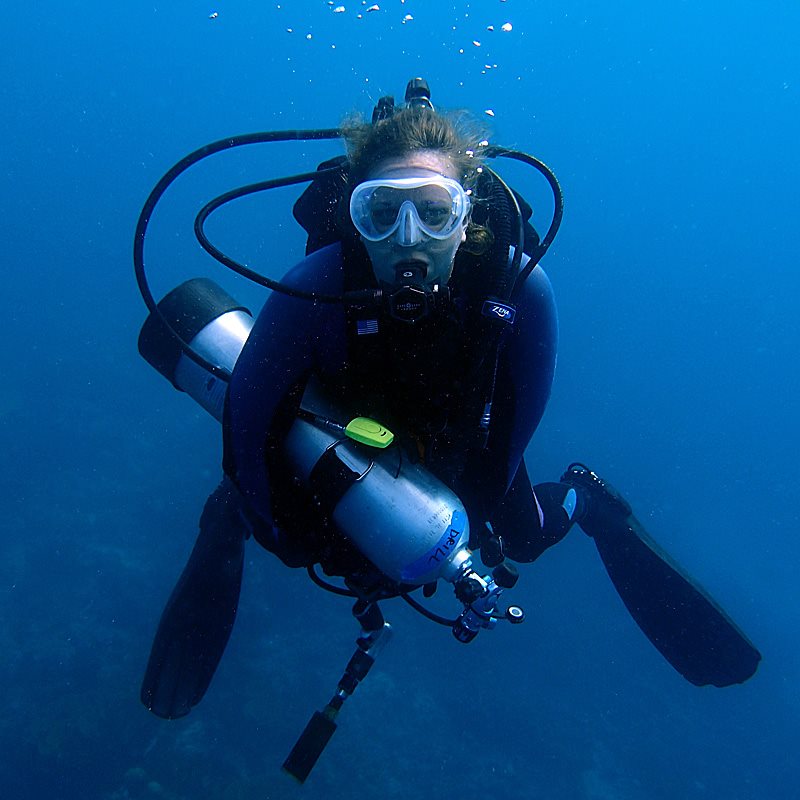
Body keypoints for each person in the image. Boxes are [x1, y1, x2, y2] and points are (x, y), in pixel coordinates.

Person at [140, 81, 760, 722]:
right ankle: (226, 518)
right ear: (355, 219)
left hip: (465, 440)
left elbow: (514, 431)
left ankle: (587, 500)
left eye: (434, 212)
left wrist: (458, 516)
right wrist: (269, 517)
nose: (408, 238)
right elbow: (248, 418)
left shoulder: (519, 288)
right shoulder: (315, 286)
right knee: (270, 511)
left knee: (522, 535)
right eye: (381, 214)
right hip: (338, 422)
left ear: (468, 219)